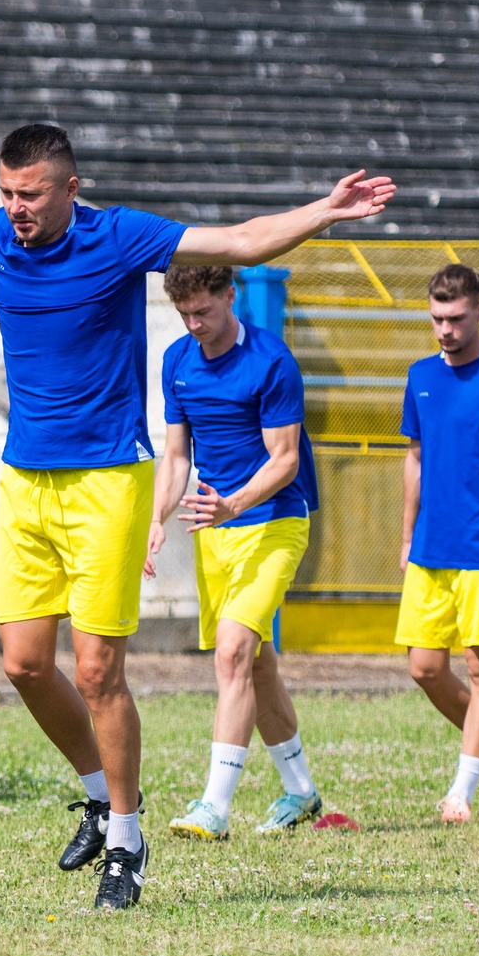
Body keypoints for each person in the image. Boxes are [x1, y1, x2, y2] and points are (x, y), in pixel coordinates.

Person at [0, 124, 393, 907]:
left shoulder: (120, 237)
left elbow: (239, 243)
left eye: (30, 195)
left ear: (71, 189)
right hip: (26, 481)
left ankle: (128, 844)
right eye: (6, 194)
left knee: (100, 668)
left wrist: (325, 211)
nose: (14, 210)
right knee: (24, 663)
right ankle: (99, 793)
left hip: (109, 479)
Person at [145, 264, 325, 840]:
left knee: (232, 654)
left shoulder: (271, 362)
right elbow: (176, 456)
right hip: (214, 532)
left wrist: (234, 505)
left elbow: (285, 460)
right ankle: (301, 792)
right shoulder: (177, 360)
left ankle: (213, 809)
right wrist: (155, 518)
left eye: (205, 311)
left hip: (274, 521)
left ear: (231, 296)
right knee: (256, 663)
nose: (196, 325)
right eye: (185, 315)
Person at [395, 263, 479, 824]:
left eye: (454, 318)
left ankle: (461, 791)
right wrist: (406, 535)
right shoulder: (421, 374)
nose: (445, 329)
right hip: (430, 549)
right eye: (436, 319)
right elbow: (415, 458)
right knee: (424, 668)